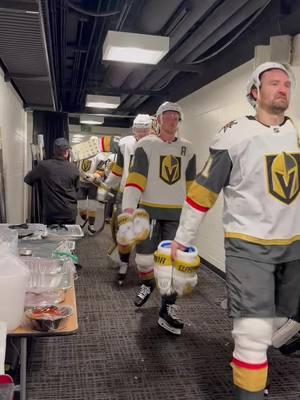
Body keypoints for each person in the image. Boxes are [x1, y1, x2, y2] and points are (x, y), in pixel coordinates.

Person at [171, 62, 300, 399]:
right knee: (253, 333)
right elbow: (202, 192)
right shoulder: (233, 135)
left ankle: (254, 366)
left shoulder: (298, 133)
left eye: (287, 83)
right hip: (249, 246)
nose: (282, 88)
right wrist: (182, 240)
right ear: (255, 92)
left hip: (294, 246)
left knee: (281, 321)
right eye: (274, 83)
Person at [121, 101, 196, 335]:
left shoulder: (189, 149)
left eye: (176, 116)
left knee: (172, 265)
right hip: (149, 211)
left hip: (176, 214)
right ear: (159, 120)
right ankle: (147, 283)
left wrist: (194, 215)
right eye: (168, 116)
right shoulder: (146, 145)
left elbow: (192, 185)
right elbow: (135, 179)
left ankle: (168, 308)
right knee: (144, 261)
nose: (172, 120)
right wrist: (129, 210)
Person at [104, 114, 153, 285]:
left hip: (148, 195)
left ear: (151, 129)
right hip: (126, 193)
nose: (141, 134)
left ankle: (145, 267)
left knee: (145, 233)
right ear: (133, 130)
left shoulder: (157, 144)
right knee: (124, 231)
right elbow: (118, 169)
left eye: (145, 130)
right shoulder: (126, 144)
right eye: (138, 130)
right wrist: (106, 184)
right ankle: (124, 264)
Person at [24, 137, 80, 225]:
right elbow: (76, 189)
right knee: (69, 237)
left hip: (51, 214)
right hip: (69, 213)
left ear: (54, 151)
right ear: (66, 152)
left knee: (51, 237)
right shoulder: (74, 168)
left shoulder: (43, 166)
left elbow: (27, 179)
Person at [77, 146, 111, 235]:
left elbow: (101, 170)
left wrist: (94, 176)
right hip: (81, 182)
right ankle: (83, 221)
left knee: (92, 206)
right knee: (81, 204)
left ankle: (91, 225)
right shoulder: (81, 154)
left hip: (93, 184)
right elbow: (76, 165)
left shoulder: (100, 157)